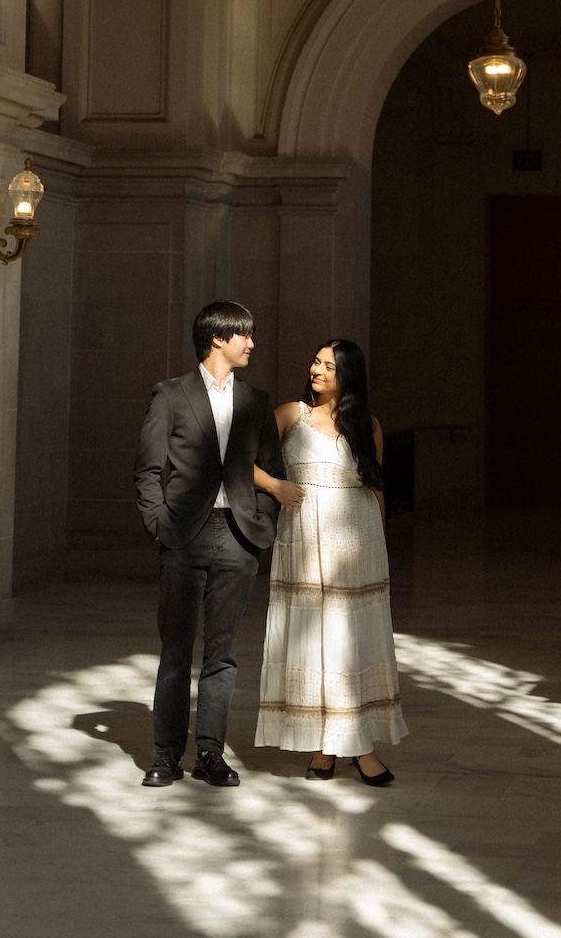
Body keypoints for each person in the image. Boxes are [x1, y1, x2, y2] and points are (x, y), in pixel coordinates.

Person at [133, 300, 300, 789]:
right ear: (218, 339)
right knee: (176, 651)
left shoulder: (255, 401)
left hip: (240, 537)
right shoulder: (169, 395)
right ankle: (166, 754)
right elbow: (146, 469)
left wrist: (261, 524)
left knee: (223, 654)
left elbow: (272, 468)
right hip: (184, 535)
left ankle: (210, 752)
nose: (252, 343)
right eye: (244, 335)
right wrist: (159, 523)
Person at [254, 339, 407, 785]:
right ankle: (330, 745)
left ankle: (353, 744)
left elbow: (375, 487)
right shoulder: (290, 414)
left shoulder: (368, 426)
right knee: (316, 642)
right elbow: (237, 460)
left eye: (328, 366)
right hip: (304, 544)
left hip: (357, 549)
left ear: (347, 376)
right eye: (315, 362)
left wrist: (380, 549)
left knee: (350, 643)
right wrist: (275, 487)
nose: (316, 370)